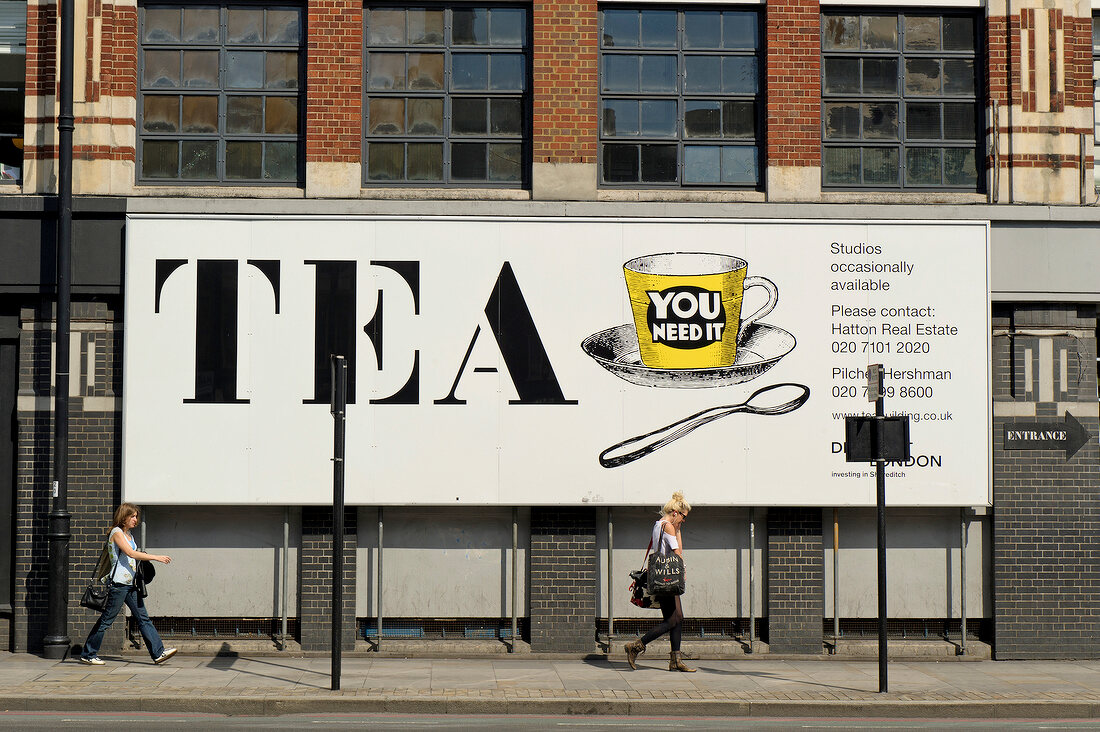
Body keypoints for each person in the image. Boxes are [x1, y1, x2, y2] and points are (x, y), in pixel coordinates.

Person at [79, 503, 177, 666]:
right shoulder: (116, 533)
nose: (135, 519)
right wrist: (156, 557)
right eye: (132, 516)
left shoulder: (129, 534)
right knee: (106, 620)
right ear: (123, 517)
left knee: (143, 618)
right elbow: (130, 553)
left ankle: (158, 653)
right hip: (118, 584)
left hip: (131, 584)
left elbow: (133, 557)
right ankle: (88, 653)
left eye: (136, 516)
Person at [624, 491, 695, 672]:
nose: (684, 520)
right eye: (683, 516)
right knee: (674, 619)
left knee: (676, 618)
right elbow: (677, 553)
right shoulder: (669, 527)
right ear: (675, 513)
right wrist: (678, 531)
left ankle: (675, 660)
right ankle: (636, 646)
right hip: (667, 576)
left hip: (660, 576)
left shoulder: (658, 525)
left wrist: (678, 529)